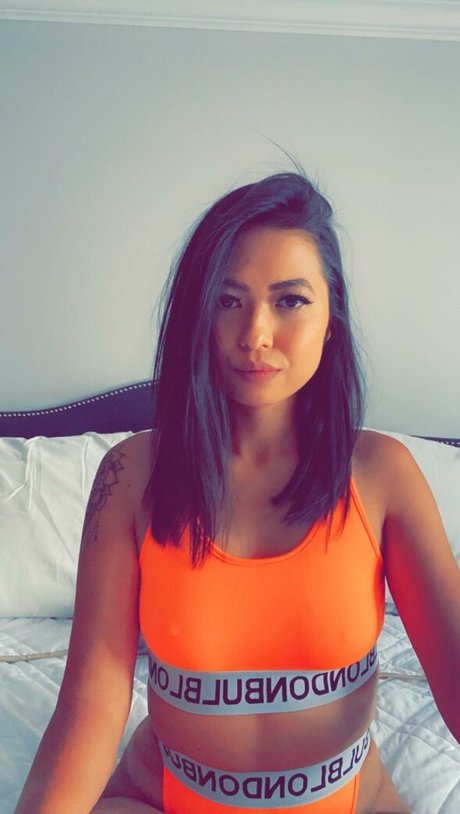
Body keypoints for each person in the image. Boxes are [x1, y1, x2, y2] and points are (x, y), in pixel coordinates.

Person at [15, 169, 460, 814]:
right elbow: (91, 704)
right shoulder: (129, 476)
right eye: (228, 301)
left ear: (331, 318)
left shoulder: (383, 473)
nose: (255, 334)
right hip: (161, 799)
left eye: (290, 300)